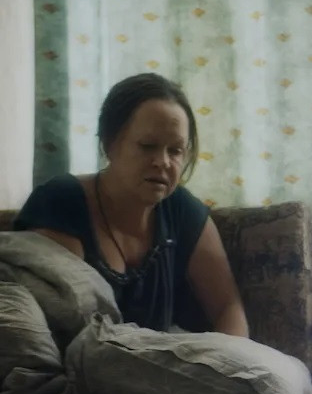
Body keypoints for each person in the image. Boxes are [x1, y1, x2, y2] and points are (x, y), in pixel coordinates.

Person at [14, 73, 249, 337]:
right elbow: (65, 323)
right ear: (109, 145)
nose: (163, 162)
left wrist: (231, 357)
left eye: (175, 150)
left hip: (162, 359)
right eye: (148, 146)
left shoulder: (182, 211)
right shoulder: (61, 203)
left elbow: (227, 308)